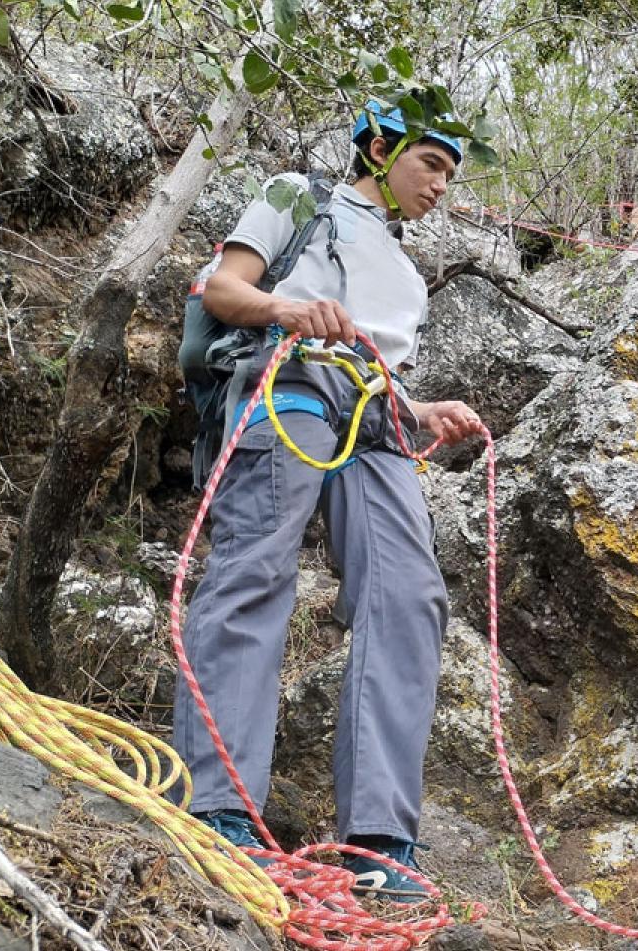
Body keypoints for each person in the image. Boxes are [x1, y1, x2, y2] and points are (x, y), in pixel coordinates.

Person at [172, 99, 482, 902]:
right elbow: (222, 289)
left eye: (451, 173)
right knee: (257, 570)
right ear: (378, 148)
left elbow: (382, 365)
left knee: (410, 596)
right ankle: (217, 809)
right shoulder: (298, 199)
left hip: (376, 418)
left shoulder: (408, 273)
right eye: (431, 164)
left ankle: (379, 841)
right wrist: (288, 308)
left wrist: (422, 410)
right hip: (291, 383)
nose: (441, 186)